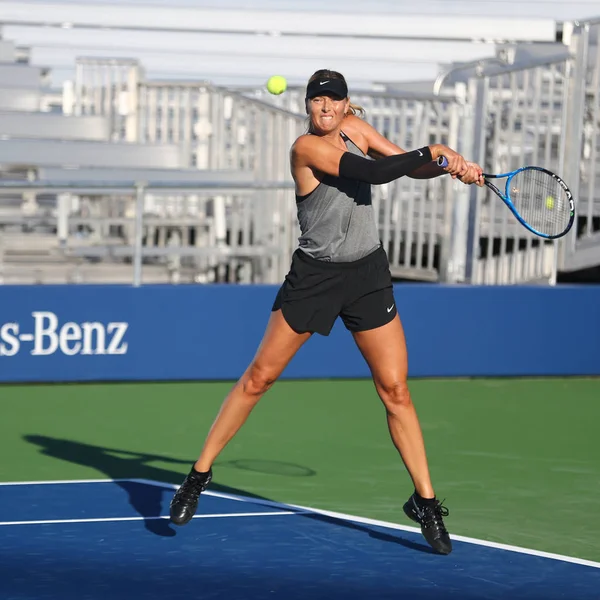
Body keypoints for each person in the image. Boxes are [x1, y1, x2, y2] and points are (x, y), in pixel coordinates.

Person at [169, 69, 484, 555]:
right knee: (259, 378)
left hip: (366, 276)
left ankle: (424, 501)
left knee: (396, 389)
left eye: (333, 100)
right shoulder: (306, 149)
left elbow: (402, 162)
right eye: (317, 100)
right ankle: (198, 475)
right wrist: (436, 149)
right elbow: (375, 172)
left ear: (345, 104)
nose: (325, 108)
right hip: (315, 278)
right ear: (308, 106)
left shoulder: (357, 131)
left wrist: (446, 166)